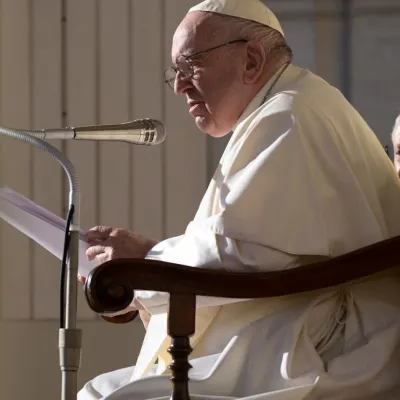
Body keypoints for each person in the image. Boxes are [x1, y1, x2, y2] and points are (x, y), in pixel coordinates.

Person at [78, 0, 400, 399]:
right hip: (293, 328)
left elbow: (244, 255)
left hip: (326, 344)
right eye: (174, 72)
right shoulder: (286, 105)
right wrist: (146, 264)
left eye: (190, 64)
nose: (179, 85)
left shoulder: (289, 115)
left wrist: (144, 266)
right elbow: (250, 248)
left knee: (111, 395)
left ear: (251, 60)